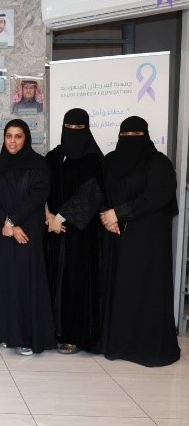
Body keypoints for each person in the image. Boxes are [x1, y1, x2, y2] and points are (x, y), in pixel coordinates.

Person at [99, 116, 181, 367]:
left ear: (145, 136)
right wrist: (106, 216)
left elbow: (156, 197)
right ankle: (119, 343)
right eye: (125, 136)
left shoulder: (159, 164)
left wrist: (119, 213)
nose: (130, 141)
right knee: (119, 290)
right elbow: (99, 189)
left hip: (147, 241)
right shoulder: (110, 160)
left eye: (135, 136)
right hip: (115, 237)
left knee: (144, 290)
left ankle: (144, 346)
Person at [0, 119, 56, 355]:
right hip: (2, 232)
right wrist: (7, 222)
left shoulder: (39, 165)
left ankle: (27, 337)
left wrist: (12, 222)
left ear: (26, 139)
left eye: (18, 136)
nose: (12, 141)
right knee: (4, 282)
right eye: (9, 136)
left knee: (25, 282)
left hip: (27, 231)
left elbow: (36, 197)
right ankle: (5, 332)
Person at [44, 108, 104, 355]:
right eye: (69, 128)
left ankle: (73, 335)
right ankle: (52, 330)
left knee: (75, 281)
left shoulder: (93, 160)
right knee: (53, 278)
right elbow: (42, 187)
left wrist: (61, 216)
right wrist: (48, 215)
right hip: (53, 231)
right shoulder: (53, 157)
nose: (74, 133)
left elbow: (91, 194)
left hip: (81, 235)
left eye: (79, 129)